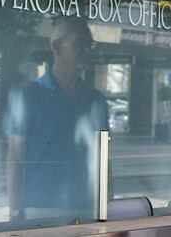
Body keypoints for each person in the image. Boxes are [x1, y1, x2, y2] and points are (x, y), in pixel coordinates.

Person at [6, 19, 107, 222]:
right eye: (80, 44)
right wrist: (16, 213)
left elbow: (103, 159)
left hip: (87, 211)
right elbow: (15, 157)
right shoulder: (28, 94)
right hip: (40, 211)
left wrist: (104, 208)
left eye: (90, 45)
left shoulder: (96, 100)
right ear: (57, 46)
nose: (87, 50)